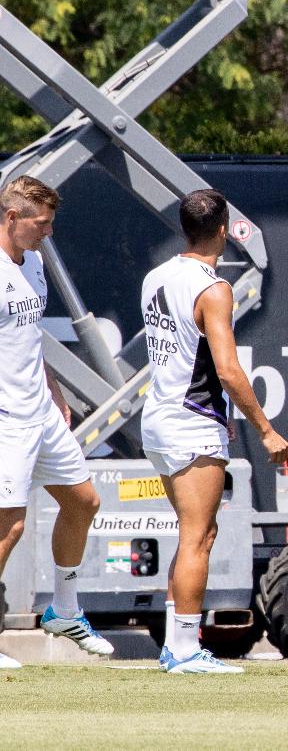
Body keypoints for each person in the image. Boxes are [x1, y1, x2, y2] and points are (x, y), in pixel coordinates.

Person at [141, 189, 288, 674]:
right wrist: (265, 430)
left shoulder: (156, 277)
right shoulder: (213, 287)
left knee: (191, 534)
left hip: (161, 418)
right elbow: (227, 369)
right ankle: (183, 649)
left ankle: (175, 646)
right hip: (191, 421)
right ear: (223, 230)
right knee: (198, 536)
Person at [0, 175, 113, 669]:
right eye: (40, 224)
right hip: (5, 417)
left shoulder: (37, 263)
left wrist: (54, 388)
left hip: (41, 410)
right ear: (11, 218)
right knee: (9, 528)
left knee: (84, 501)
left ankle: (64, 611)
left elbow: (30, 337)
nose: (47, 232)